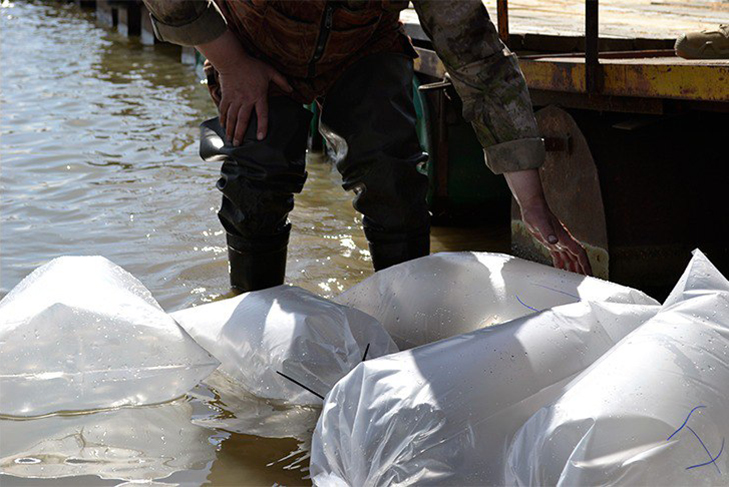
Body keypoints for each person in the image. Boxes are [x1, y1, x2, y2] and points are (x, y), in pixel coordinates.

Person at [143, 0, 592, 292]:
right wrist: (231, 62)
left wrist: (532, 202)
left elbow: (477, 57)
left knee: (391, 173)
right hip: (251, 45)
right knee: (258, 174)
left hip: (362, 46)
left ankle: (410, 322)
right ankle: (249, 313)